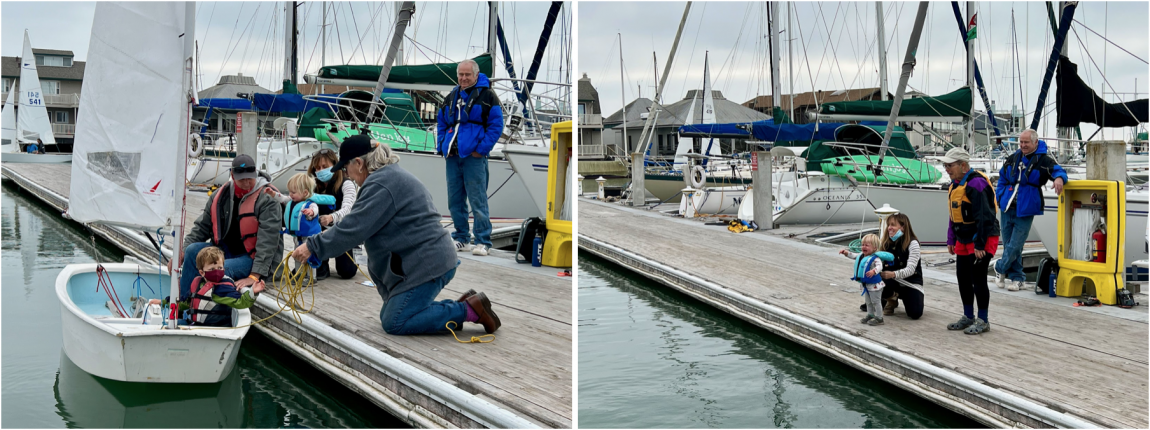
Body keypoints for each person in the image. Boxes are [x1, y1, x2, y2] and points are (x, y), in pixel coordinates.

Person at [290, 135, 501, 335]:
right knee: (391, 313)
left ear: (359, 163)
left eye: (346, 167)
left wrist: (313, 247)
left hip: (429, 264)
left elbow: (354, 228)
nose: (346, 173)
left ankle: (469, 311)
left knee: (396, 321)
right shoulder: (387, 177)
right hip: (423, 261)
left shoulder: (382, 184)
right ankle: (462, 306)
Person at [177, 154, 283, 302]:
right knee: (191, 251)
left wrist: (254, 276)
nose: (247, 183)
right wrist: (180, 253)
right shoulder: (219, 196)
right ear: (233, 176)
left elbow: (269, 241)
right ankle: (183, 303)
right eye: (242, 179)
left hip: (252, 259)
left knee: (219, 269)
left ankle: (212, 311)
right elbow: (201, 227)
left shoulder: (268, 199)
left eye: (250, 178)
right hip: (225, 251)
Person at [436, 58, 504, 257]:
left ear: (475, 75)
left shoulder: (488, 96)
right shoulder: (451, 96)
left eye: (467, 75)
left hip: (474, 156)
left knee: (478, 199)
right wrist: (442, 144)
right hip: (453, 155)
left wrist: (481, 149)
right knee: (455, 200)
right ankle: (461, 238)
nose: (464, 78)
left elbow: (496, 125)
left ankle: (483, 241)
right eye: (461, 74)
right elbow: (441, 122)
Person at [266, 149, 359, 280]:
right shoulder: (311, 186)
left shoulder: (346, 184)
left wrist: (332, 217)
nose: (321, 170)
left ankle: (351, 249)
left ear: (335, 164)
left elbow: (348, 208)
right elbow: (291, 199)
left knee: (347, 271)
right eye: (317, 167)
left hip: (340, 230)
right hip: (316, 231)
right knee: (315, 269)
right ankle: (319, 263)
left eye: (325, 167)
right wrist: (276, 195)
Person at [993, 129, 1068, 291]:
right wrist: (1000, 197)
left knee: (1015, 244)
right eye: (1021, 142)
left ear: (1035, 142)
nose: (1022, 145)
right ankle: (1018, 278)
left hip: (1026, 208)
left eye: (1026, 142)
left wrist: (1060, 179)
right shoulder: (1013, 158)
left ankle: (999, 267)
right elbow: (1002, 178)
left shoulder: (1043, 160)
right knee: (1008, 245)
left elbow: (1058, 171)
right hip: (1007, 206)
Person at [942, 147, 1000, 335]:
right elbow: (953, 216)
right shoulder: (954, 185)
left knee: (978, 278)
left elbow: (985, 216)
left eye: (950, 165)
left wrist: (980, 244)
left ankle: (983, 320)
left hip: (983, 237)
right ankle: (968, 316)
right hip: (963, 237)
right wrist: (951, 238)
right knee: (963, 278)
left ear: (963, 165)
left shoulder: (976, 184)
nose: (947, 169)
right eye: (945, 165)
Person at [183, 246, 263, 327]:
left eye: (220, 268)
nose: (217, 271)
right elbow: (190, 301)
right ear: (202, 273)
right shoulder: (199, 283)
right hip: (196, 326)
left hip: (213, 329)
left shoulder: (222, 288)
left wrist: (253, 291)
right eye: (212, 269)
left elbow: (240, 302)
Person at [282, 172, 335, 284]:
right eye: (290, 192)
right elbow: (282, 198)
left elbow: (315, 210)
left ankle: (311, 277)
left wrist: (311, 212)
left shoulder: (311, 204)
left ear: (305, 192)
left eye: (293, 192)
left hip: (309, 237)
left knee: (310, 256)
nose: (290, 195)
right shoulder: (292, 202)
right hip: (298, 236)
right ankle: (298, 274)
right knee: (297, 255)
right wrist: (273, 194)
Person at [878, 214, 925, 319]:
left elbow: (911, 269)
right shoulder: (885, 242)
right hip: (891, 282)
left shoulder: (913, 243)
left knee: (915, 314)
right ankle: (891, 298)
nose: (889, 227)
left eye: (893, 225)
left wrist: (894, 274)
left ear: (902, 227)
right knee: (875, 279)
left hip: (910, 282)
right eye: (888, 225)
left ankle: (900, 297)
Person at [841, 234, 894, 326]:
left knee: (876, 301)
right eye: (863, 244)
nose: (863, 247)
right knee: (868, 302)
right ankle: (870, 314)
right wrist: (846, 253)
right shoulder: (861, 255)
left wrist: (874, 271)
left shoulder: (875, 258)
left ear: (874, 248)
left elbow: (879, 266)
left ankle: (879, 317)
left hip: (875, 285)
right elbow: (853, 256)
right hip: (866, 284)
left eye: (867, 245)